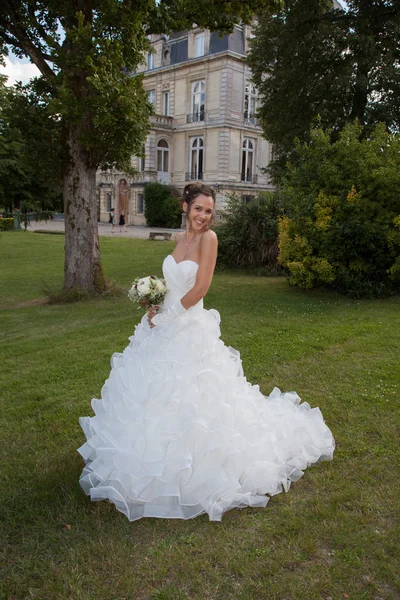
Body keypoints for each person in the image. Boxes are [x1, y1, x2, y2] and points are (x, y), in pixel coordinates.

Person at [78, 182, 335, 522]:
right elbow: (173, 284)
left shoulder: (208, 240)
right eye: (199, 208)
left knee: (194, 395)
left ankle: (197, 466)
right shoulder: (178, 239)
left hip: (188, 327)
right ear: (185, 207)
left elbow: (200, 289)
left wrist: (170, 314)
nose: (203, 216)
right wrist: (154, 300)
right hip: (160, 324)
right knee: (151, 391)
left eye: (209, 211)